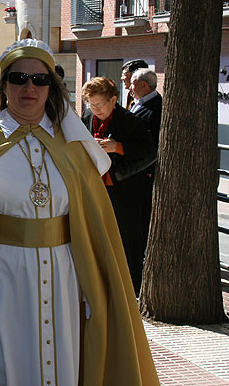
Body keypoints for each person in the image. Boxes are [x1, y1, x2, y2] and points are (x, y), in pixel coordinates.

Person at [0, 39, 159, 386]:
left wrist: (91, 287)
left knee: (60, 365)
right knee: (1, 366)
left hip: (63, 277)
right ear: (4, 86)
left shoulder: (71, 147)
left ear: (52, 88)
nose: (29, 87)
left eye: (40, 80)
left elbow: (91, 223)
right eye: (19, 78)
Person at [81, 77, 157, 295]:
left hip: (125, 189)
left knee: (128, 239)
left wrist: (118, 147)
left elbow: (149, 152)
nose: (95, 110)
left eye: (99, 105)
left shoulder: (129, 120)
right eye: (91, 105)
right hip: (95, 186)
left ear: (113, 100)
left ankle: (132, 289)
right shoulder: (87, 116)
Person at [129, 67, 162, 254]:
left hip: (145, 173)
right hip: (135, 172)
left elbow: (154, 143)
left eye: (133, 83)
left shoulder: (156, 107)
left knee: (143, 219)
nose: (129, 87)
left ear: (143, 85)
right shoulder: (137, 103)